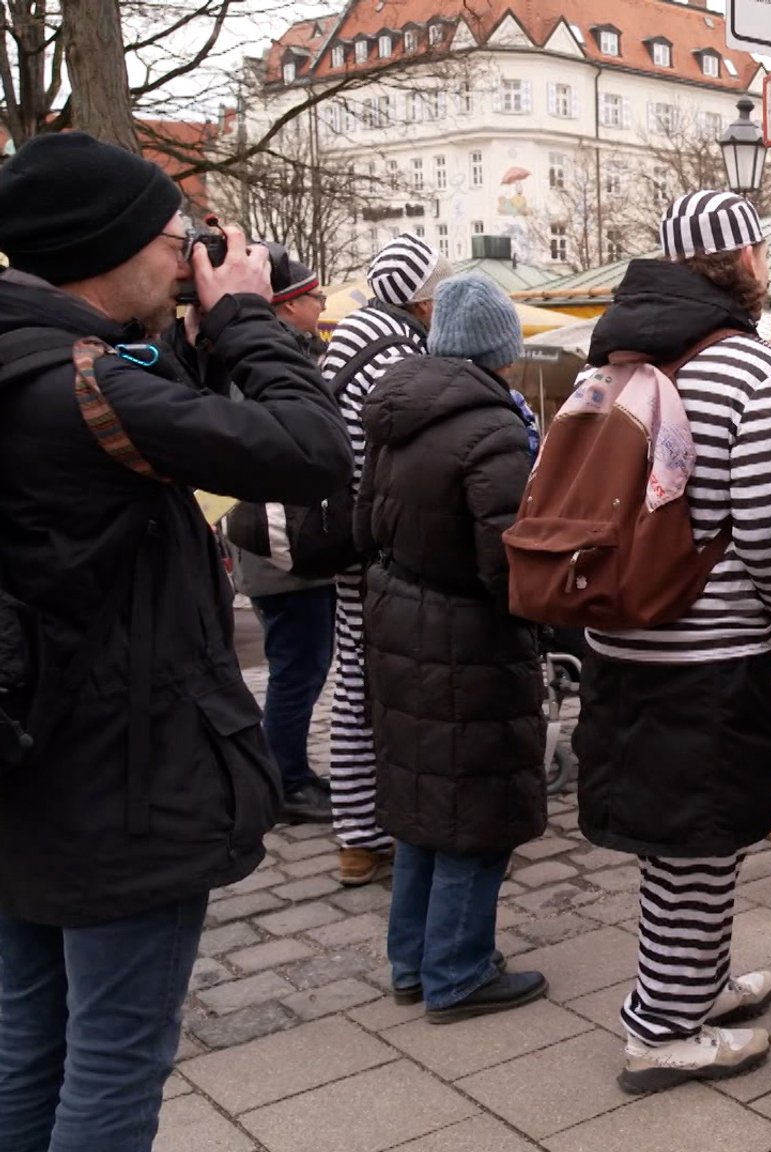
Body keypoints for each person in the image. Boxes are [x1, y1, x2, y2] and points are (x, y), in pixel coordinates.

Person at [0, 132, 350, 1152]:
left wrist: (195, 326)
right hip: (123, 780)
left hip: (25, 763)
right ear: (107, 248)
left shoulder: (36, 366)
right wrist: (245, 317)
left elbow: (168, 404)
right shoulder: (87, 389)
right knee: (112, 1062)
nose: (187, 254)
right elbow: (310, 449)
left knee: (28, 1041)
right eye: (176, 236)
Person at [570, 191, 771, 1091]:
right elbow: (767, 528)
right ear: (745, 260)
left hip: (621, 639)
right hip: (712, 654)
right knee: (699, 841)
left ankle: (698, 984)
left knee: (683, 839)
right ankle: (661, 1028)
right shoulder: (748, 368)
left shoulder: (604, 362)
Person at [357, 275, 550, 1021]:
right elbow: (506, 561)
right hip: (467, 632)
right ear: (501, 348)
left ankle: (413, 961)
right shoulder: (492, 429)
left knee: (420, 803)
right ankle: (458, 972)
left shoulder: (396, 410)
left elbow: (364, 522)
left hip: (399, 615)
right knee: (475, 807)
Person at [322, 233, 447, 886]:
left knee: (354, 682)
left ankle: (356, 834)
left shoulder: (347, 336)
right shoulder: (396, 354)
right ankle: (379, 828)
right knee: (387, 686)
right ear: (420, 298)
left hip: (343, 536)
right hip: (380, 542)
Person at [227, 256, 342, 825]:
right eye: (314, 298)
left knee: (300, 663)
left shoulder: (265, 356)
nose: (322, 308)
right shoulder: (265, 363)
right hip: (284, 549)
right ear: (288, 304)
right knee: (298, 666)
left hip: (285, 547)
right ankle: (285, 780)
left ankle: (284, 772)